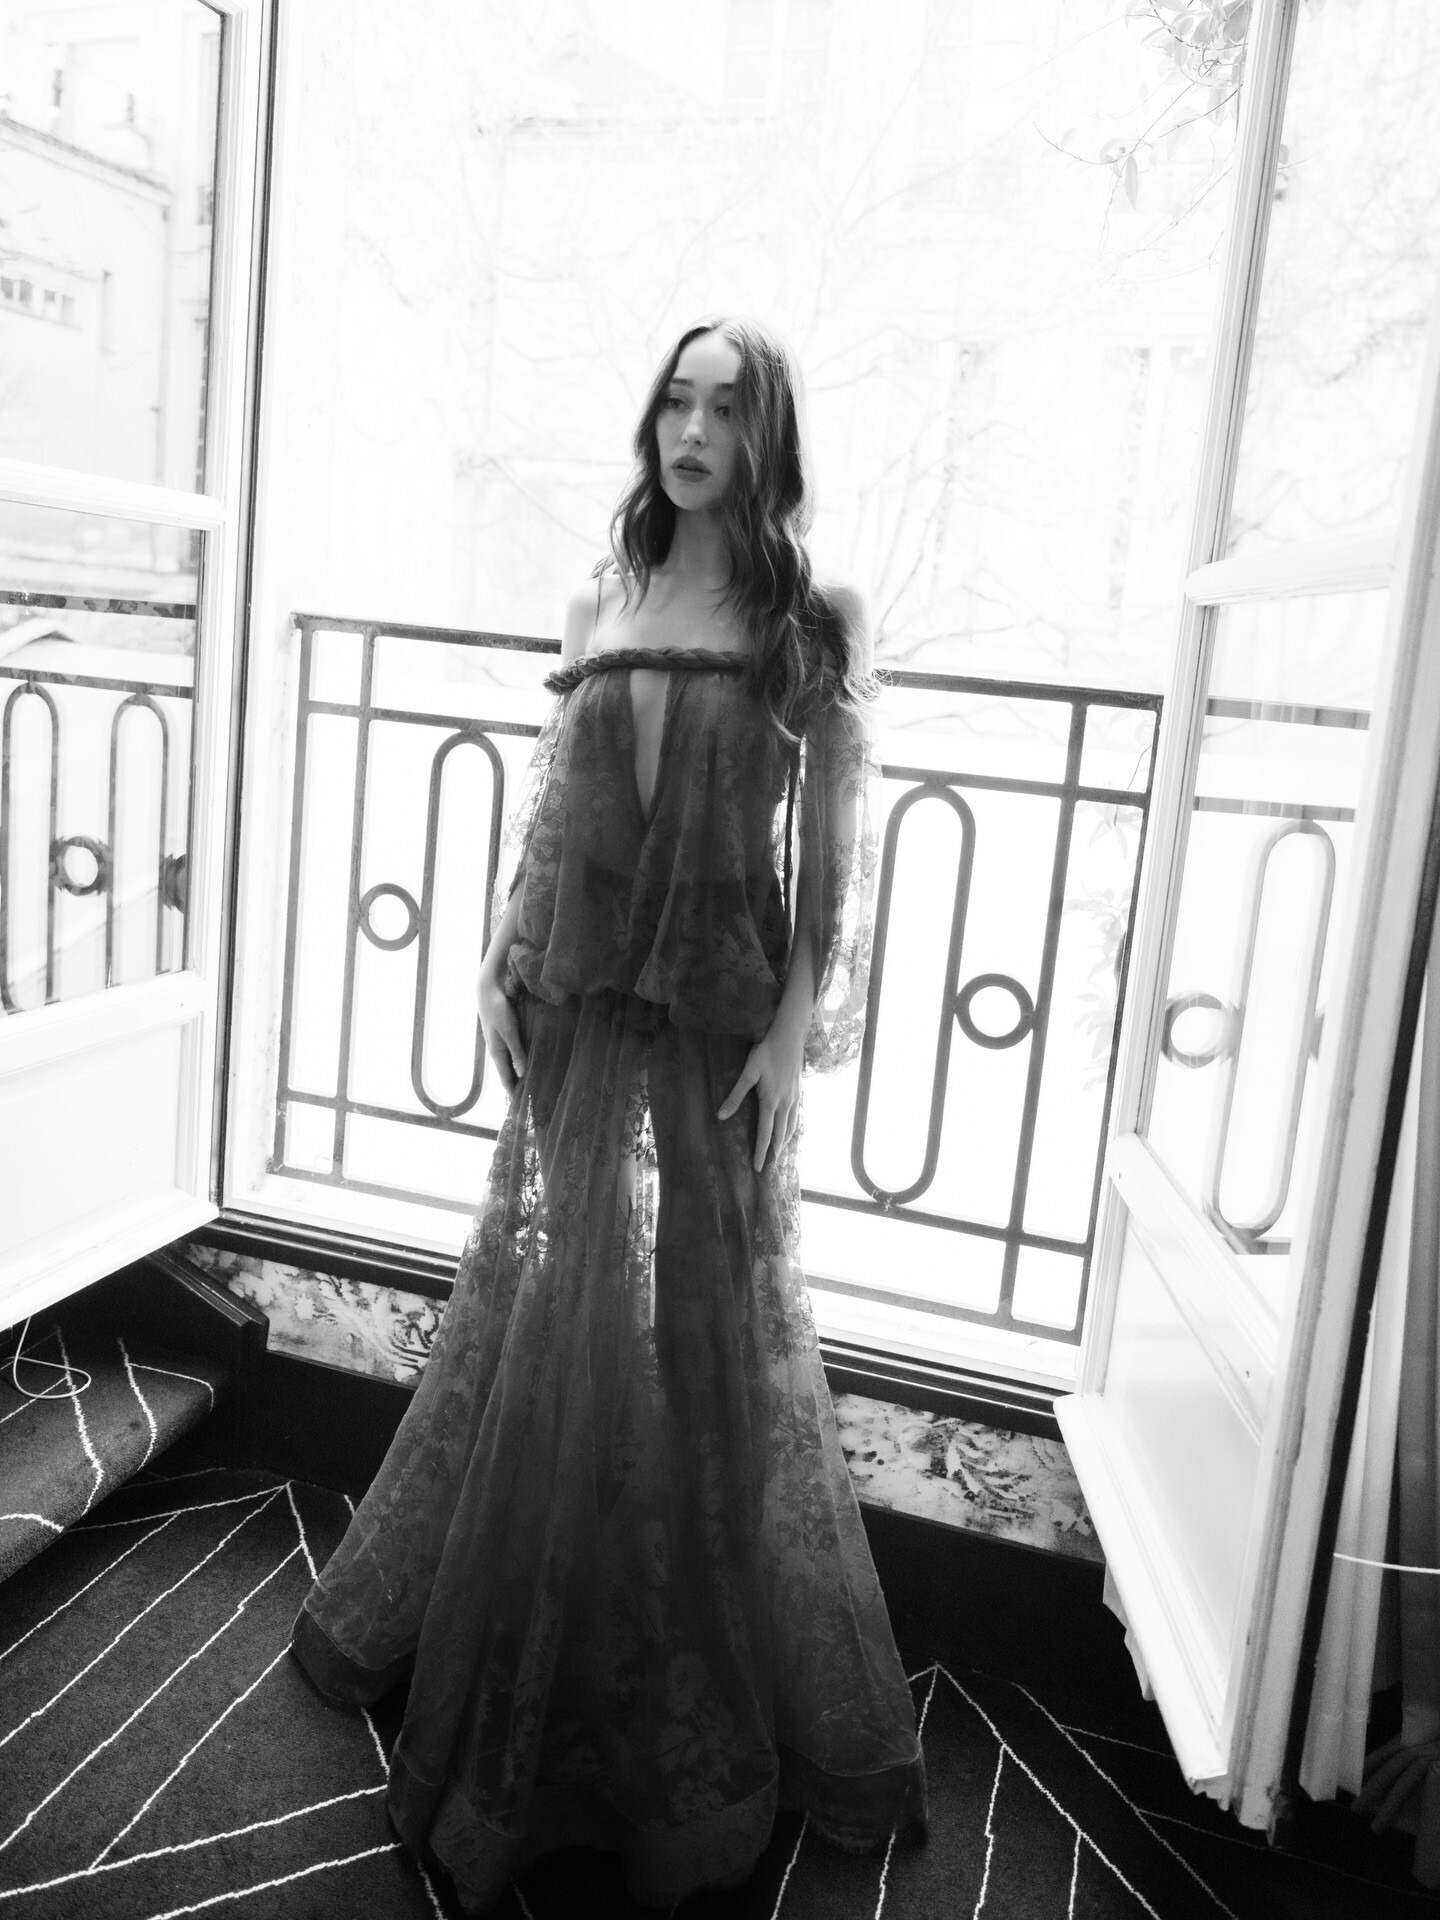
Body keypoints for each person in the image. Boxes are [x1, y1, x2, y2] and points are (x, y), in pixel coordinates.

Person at [289, 314, 928, 1912]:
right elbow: (555, 809)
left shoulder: (811, 617)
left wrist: (793, 1028)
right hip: (574, 1011)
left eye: (726, 408)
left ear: (769, 438)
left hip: (716, 1025)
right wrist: (494, 961)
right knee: (548, 1311)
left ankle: (672, 1691)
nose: (691, 430)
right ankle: (532, 1637)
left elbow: (833, 859)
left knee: (707, 1334)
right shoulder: (602, 596)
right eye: (674, 402)